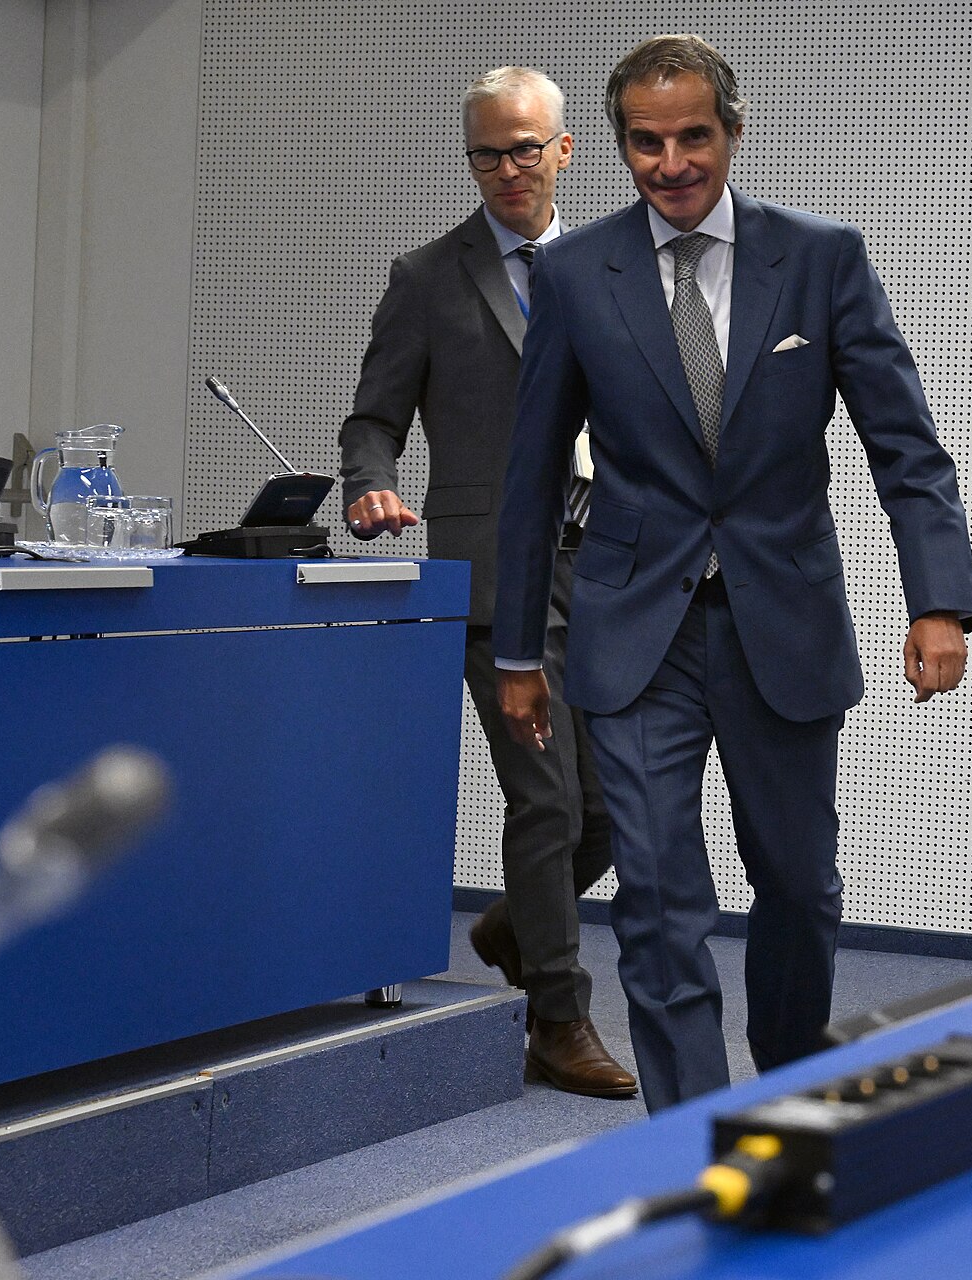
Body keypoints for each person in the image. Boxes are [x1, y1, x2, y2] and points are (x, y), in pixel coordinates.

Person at [492, 35, 972, 1111]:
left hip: (783, 621)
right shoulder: (575, 275)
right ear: (619, 145)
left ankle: (789, 1099)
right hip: (635, 634)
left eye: (693, 137)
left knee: (800, 890)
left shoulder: (820, 258)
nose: (671, 163)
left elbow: (906, 446)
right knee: (658, 896)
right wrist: (519, 650)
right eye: (646, 142)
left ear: (734, 130)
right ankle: (693, 1133)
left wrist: (939, 600)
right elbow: (530, 477)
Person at [339, 67, 635, 1099]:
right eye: (486, 154)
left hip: (608, 568)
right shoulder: (428, 277)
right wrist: (369, 485)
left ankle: (514, 927)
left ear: (565, 151)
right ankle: (557, 1017)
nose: (507, 169)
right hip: (496, 573)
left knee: (612, 812)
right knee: (547, 802)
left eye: (525, 149)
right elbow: (373, 418)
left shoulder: (614, 268)